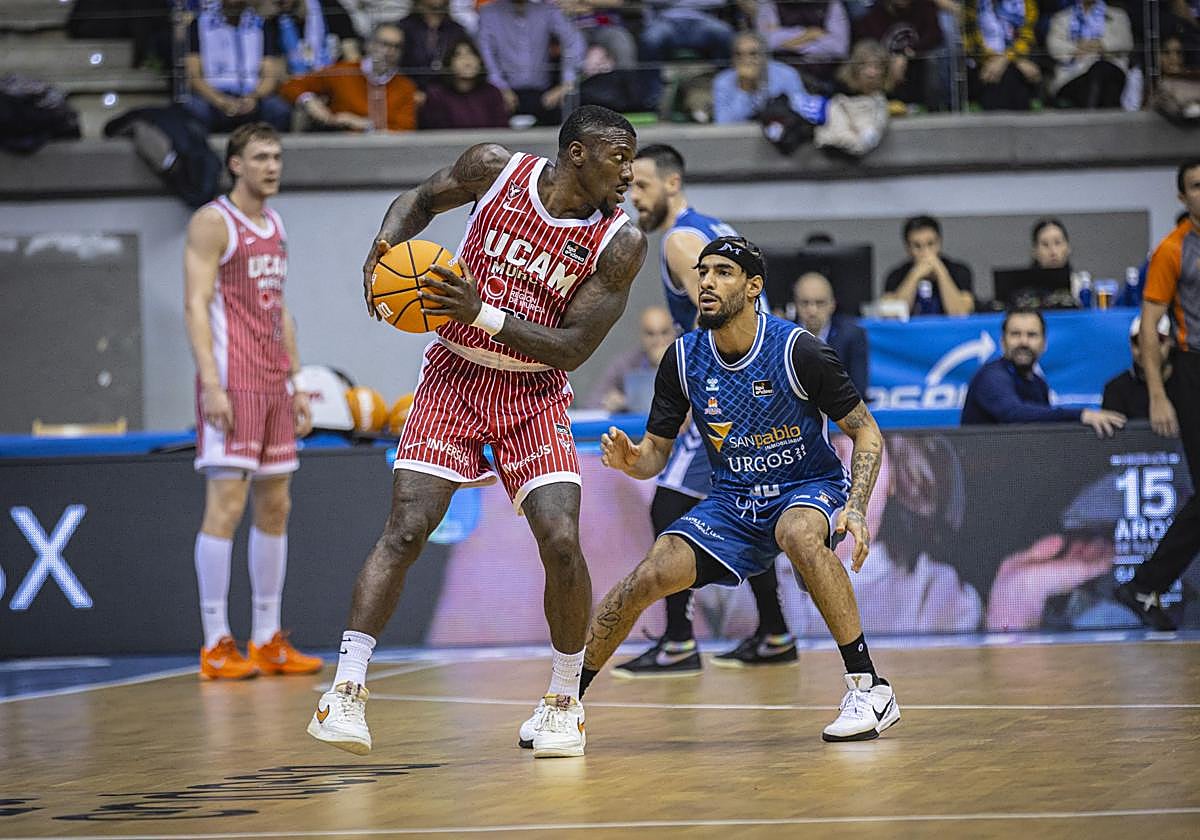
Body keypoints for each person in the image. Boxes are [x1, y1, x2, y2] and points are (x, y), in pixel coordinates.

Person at [306, 105, 647, 759]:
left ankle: (562, 703)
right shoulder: (495, 170)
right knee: (406, 528)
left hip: (534, 392)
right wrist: (382, 250)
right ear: (577, 154)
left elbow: (573, 347)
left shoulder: (620, 242)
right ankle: (345, 692)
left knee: (561, 542)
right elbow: (419, 199)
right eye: (619, 158)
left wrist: (481, 311)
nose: (629, 173)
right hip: (452, 379)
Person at [549, 235, 901, 745]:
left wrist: (858, 508)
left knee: (799, 533)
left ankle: (870, 686)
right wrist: (632, 462)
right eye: (702, 272)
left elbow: (865, 430)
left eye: (722, 273)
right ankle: (563, 701)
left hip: (807, 486)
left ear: (754, 286)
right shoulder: (683, 359)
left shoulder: (797, 349)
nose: (707, 282)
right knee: (648, 575)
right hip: (732, 503)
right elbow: (655, 456)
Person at [617, 145, 799, 678]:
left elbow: (720, 318)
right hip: (753, 386)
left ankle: (678, 642)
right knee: (746, 508)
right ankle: (774, 631)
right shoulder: (711, 227)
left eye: (643, 186)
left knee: (667, 507)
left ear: (672, 184)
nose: (634, 197)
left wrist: (711, 392)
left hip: (726, 392)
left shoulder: (680, 241)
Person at [183, 122, 320, 681]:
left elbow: (279, 310)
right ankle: (216, 640)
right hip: (231, 382)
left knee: (276, 505)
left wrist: (295, 380)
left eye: (278, 156)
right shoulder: (213, 222)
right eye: (261, 157)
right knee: (226, 506)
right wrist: (211, 384)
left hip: (271, 382)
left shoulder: (276, 223)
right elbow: (195, 306)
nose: (272, 166)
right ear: (235, 163)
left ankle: (267, 638)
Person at [1114, 158, 1200, 631]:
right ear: (1183, 197)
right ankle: (1144, 583)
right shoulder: (1173, 249)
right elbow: (1149, 326)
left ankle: (1144, 585)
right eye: (1196, 186)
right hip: (1191, 368)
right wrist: (1157, 393)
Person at [960, 306, 1127, 436]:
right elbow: (1013, 413)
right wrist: (1081, 415)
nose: (1023, 342)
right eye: (1015, 334)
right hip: (981, 474)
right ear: (1003, 341)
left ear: (1044, 343)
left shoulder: (1038, 384)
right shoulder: (991, 377)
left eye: (1032, 335)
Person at [279, 22, 420, 132]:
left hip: (385, 156)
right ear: (369, 44)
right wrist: (308, 100)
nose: (390, 51)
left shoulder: (405, 86)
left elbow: (404, 132)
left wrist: (364, 125)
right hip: (341, 148)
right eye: (384, 44)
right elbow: (291, 86)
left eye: (397, 47)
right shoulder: (344, 71)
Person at [182, 0, 292, 133]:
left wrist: (254, 97)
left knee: (278, 109)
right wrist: (219, 100)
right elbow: (193, 74)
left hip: (252, 96)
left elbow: (269, 72)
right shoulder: (200, 24)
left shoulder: (261, 24)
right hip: (214, 97)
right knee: (193, 108)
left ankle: (268, 151)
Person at [476, 0, 586, 125]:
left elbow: (573, 41)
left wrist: (566, 82)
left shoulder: (547, 10)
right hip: (502, 94)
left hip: (544, 93)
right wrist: (499, 87)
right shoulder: (489, 12)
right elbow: (485, 52)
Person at [712, 31, 827, 125]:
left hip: (780, 141)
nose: (746, 60)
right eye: (739, 54)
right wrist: (745, 88)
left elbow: (804, 112)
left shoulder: (786, 74)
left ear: (765, 56)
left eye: (753, 54)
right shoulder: (722, 81)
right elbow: (723, 124)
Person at [584, 305, 677, 414]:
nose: (658, 341)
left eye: (664, 332)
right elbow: (591, 403)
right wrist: (619, 403)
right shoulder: (626, 364)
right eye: (650, 334)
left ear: (674, 333)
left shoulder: (685, 361)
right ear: (641, 336)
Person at [1045, 0, 1133, 109]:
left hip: (1110, 70)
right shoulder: (1061, 18)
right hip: (1073, 75)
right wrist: (1076, 48)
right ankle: (1097, 117)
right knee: (1098, 78)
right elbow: (1054, 47)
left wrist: (1101, 44)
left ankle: (1093, 116)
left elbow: (1126, 42)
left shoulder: (1118, 15)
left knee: (1101, 69)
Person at [881, 215, 975, 316]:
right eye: (917, 246)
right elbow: (893, 315)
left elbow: (961, 313)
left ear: (939, 242)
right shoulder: (896, 275)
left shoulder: (959, 271)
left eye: (930, 244)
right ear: (908, 248)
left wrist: (940, 271)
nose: (925, 252)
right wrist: (914, 275)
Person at [793, 271, 869, 394]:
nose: (812, 311)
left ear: (832, 305)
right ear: (795, 305)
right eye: (805, 303)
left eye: (820, 303)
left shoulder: (852, 335)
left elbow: (858, 389)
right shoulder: (782, 336)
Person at [963, 0, 1041, 111]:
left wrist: (1007, 59)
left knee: (1013, 75)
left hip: (1020, 60)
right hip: (984, 63)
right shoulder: (972, 4)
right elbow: (971, 41)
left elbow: (1028, 37)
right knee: (1001, 77)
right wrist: (995, 59)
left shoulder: (1027, 3)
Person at [418, 36, 509, 130]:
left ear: (480, 61)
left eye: (471, 54)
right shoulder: (436, 95)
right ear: (449, 63)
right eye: (459, 55)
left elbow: (502, 131)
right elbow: (434, 133)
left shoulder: (492, 93)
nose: (467, 60)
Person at [1101, 313, 1175, 418]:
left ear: (1171, 343)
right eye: (1138, 341)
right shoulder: (1116, 389)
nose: (1146, 349)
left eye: (1157, 340)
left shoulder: (1188, 385)